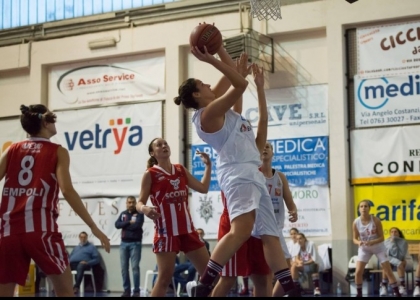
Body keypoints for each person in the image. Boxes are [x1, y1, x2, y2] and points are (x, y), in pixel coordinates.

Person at [175, 42, 299, 297]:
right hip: (237, 174)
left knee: (269, 234)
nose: (209, 85)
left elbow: (236, 77)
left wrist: (220, 49)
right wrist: (212, 59)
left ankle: (290, 288)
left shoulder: (222, 111)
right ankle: (204, 284)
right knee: (241, 231)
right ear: (197, 95)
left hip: (252, 173)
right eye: (203, 84)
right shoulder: (208, 115)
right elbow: (239, 84)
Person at [0, 104, 110, 297]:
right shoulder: (58, 151)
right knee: (65, 290)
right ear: (44, 122)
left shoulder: (12, 150)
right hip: (41, 231)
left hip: (9, 230)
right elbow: (67, 190)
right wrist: (93, 226)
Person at [135, 137, 211, 297]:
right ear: (152, 153)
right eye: (159, 145)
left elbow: (203, 188)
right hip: (166, 232)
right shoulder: (150, 174)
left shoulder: (180, 169)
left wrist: (208, 166)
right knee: (164, 279)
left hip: (188, 230)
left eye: (165, 144)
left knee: (210, 275)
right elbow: (139, 201)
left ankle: (196, 291)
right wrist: (145, 208)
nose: (164, 146)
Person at [352, 200, 401, 297]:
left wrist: (372, 242)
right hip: (364, 248)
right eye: (361, 206)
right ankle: (359, 294)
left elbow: (382, 237)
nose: (363, 208)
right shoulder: (356, 222)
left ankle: (397, 292)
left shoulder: (376, 220)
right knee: (358, 272)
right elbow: (354, 239)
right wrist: (359, 242)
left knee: (387, 270)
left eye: (366, 206)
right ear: (359, 209)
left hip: (378, 247)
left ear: (369, 209)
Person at [115, 196, 145, 297]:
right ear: (126, 204)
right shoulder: (123, 214)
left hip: (135, 244)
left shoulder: (139, 214)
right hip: (123, 244)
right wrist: (128, 222)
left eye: (133, 202)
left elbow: (136, 226)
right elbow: (117, 224)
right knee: (124, 268)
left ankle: (136, 291)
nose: (131, 204)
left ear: (135, 203)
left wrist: (124, 225)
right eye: (129, 202)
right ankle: (126, 290)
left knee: (135, 267)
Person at [380, 227, 408, 296]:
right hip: (389, 259)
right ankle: (384, 286)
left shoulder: (403, 242)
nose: (393, 233)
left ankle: (402, 286)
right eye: (392, 232)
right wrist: (392, 242)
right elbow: (386, 255)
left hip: (401, 259)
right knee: (386, 264)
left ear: (399, 233)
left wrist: (393, 243)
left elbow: (400, 256)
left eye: (395, 232)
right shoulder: (386, 241)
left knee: (400, 263)